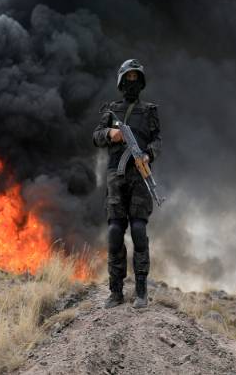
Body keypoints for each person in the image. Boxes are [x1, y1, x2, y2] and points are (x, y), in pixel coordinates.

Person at [93, 59, 162, 309]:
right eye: (128, 78)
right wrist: (111, 134)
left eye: (136, 78)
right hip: (116, 175)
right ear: (121, 82)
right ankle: (116, 291)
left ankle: (141, 291)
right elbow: (96, 136)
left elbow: (157, 141)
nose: (132, 82)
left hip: (140, 175)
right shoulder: (111, 110)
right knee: (114, 231)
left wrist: (148, 155)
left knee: (139, 231)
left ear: (141, 82)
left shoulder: (149, 111)